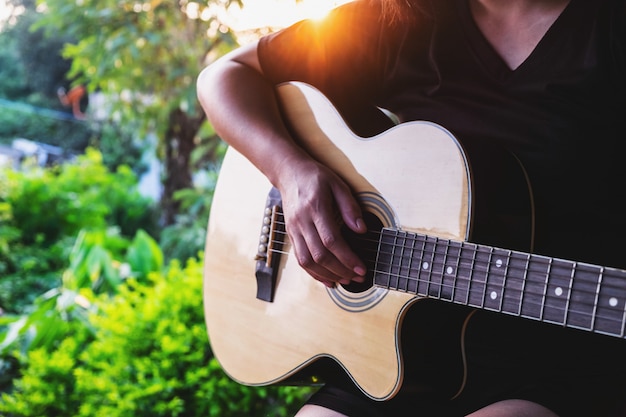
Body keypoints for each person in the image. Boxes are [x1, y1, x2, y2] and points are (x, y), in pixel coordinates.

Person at [197, 0, 626, 416]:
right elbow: (224, 76)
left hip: (557, 357)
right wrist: (291, 174)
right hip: (403, 355)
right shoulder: (400, 20)